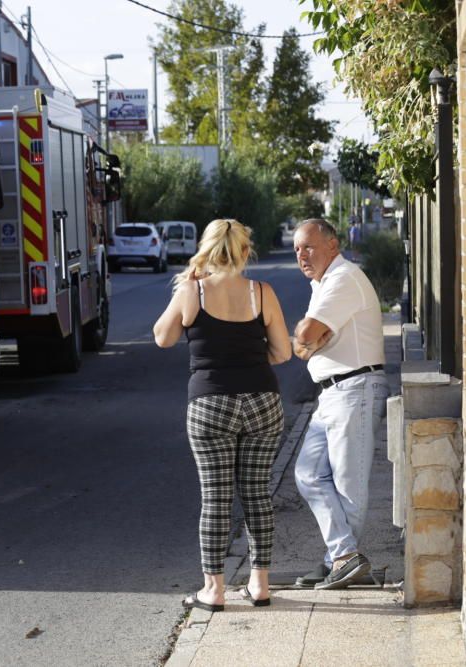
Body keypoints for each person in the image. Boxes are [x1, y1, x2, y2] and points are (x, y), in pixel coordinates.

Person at [153, 219, 292, 611]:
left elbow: (163, 338)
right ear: (246, 252)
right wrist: (247, 358)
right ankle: (260, 585)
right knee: (257, 494)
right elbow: (283, 353)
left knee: (215, 498)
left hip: (210, 403)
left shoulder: (192, 290)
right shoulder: (262, 293)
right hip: (263, 401)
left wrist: (187, 287)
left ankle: (213, 591)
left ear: (206, 250)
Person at [291, 218, 388, 590]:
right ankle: (342, 557)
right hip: (333, 392)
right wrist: (310, 338)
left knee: (348, 485)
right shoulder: (323, 284)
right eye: (298, 248)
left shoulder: (343, 277)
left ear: (333, 245)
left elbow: (304, 335)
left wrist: (310, 337)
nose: (302, 254)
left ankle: (342, 560)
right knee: (307, 473)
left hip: (355, 388)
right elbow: (304, 346)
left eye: (309, 247)